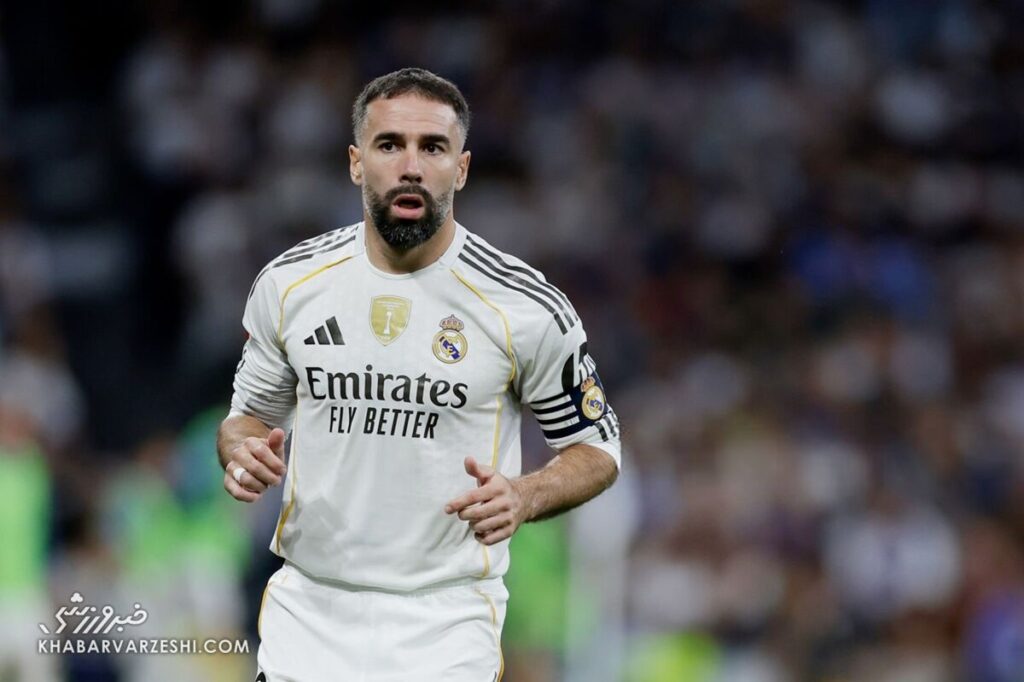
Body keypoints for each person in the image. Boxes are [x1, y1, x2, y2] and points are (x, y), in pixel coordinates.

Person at [216, 67, 622, 681]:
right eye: (390, 145)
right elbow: (246, 419)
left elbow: (598, 448)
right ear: (356, 163)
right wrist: (243, 451)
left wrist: (524, 495)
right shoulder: (289, 285)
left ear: (461, 168)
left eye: (433, 147)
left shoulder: (524, 307)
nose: (411, 167)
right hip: (310, 614)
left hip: (445, 625)